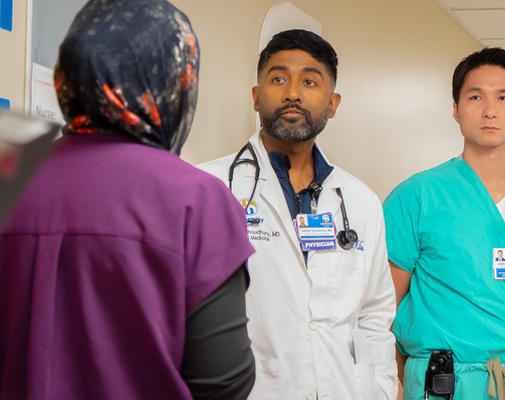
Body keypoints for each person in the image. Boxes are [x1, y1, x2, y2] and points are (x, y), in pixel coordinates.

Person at [0, 1, 256, 399]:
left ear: (68, 76)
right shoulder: (196, 199)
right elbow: (224, 381)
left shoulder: (10, 179)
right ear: (177, 83)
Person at [199, 29, 397, 400]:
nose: (292, 92)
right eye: (278, 79)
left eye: (309, 80)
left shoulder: (360, 200)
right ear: (256, 98)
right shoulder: (208, 188)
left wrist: (379, 388)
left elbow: (374, 313)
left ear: (333, 103)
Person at [384, 47, 505, 400]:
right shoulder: (417, 197)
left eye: (503, 97)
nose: (490, 110)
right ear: (455, 109)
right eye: (475, 96)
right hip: (441, 386)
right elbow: (381, 309)